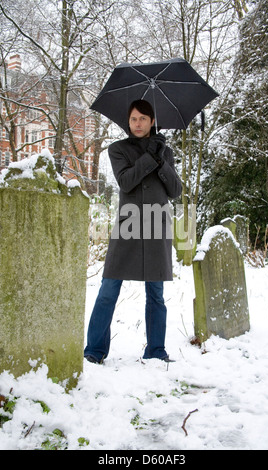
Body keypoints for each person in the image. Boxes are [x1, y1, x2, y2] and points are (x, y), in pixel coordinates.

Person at [84, 99, 182, 364]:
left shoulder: (166, 152)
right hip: (129, 223)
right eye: (133, 119)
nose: (137, 124)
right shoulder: (118, 150)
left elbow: (176, 191)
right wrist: (149, 157)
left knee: (156, 293)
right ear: (128, 122)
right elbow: (126, 181)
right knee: (109, 288)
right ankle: (94, 349)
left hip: (156, 223)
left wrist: (161, 160)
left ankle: (156, 350)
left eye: (143, 118)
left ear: (152, 121)